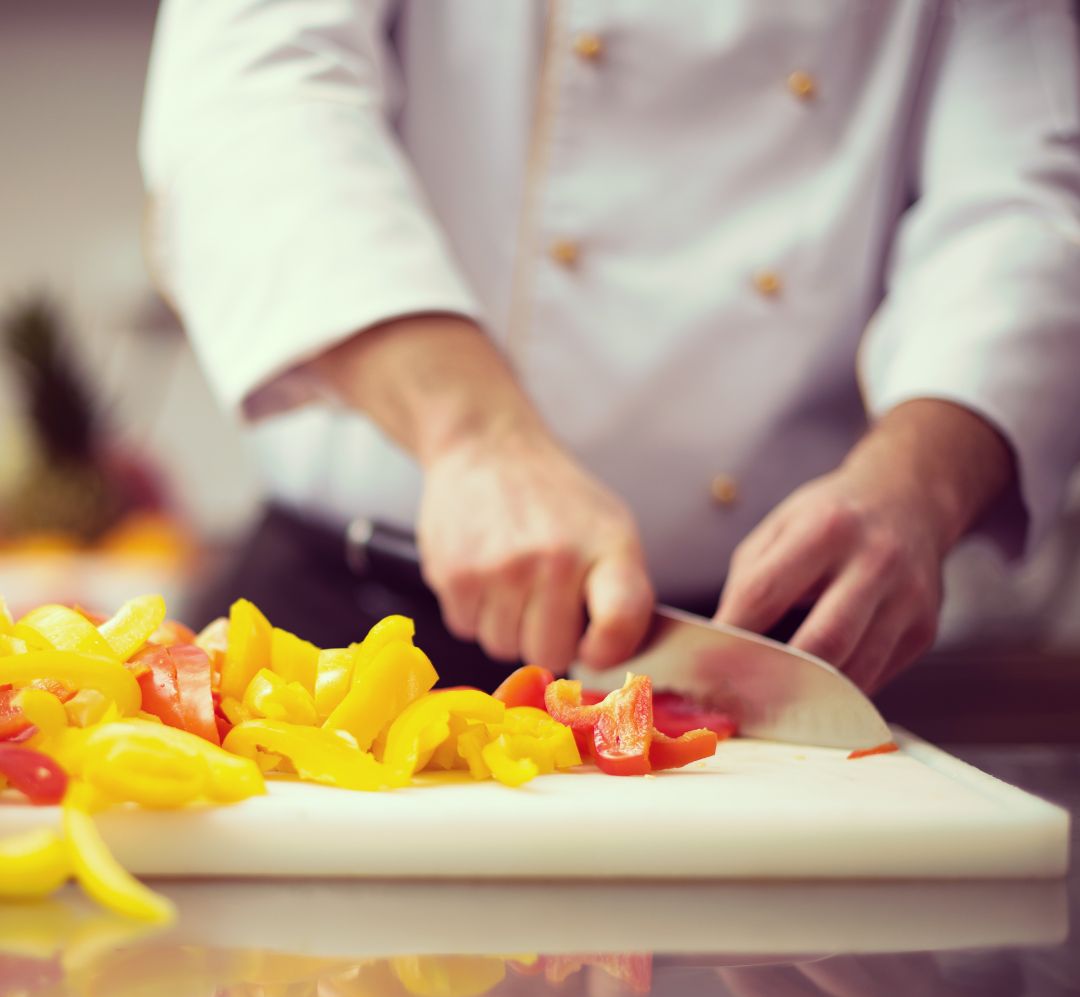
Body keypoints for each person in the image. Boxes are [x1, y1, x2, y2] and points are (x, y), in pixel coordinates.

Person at [140, 1, 1080, 692]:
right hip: (353, 626)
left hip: (791, 655)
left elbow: (1029, 198)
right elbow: (253, 97)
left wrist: (921, 481)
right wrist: (475, 437)